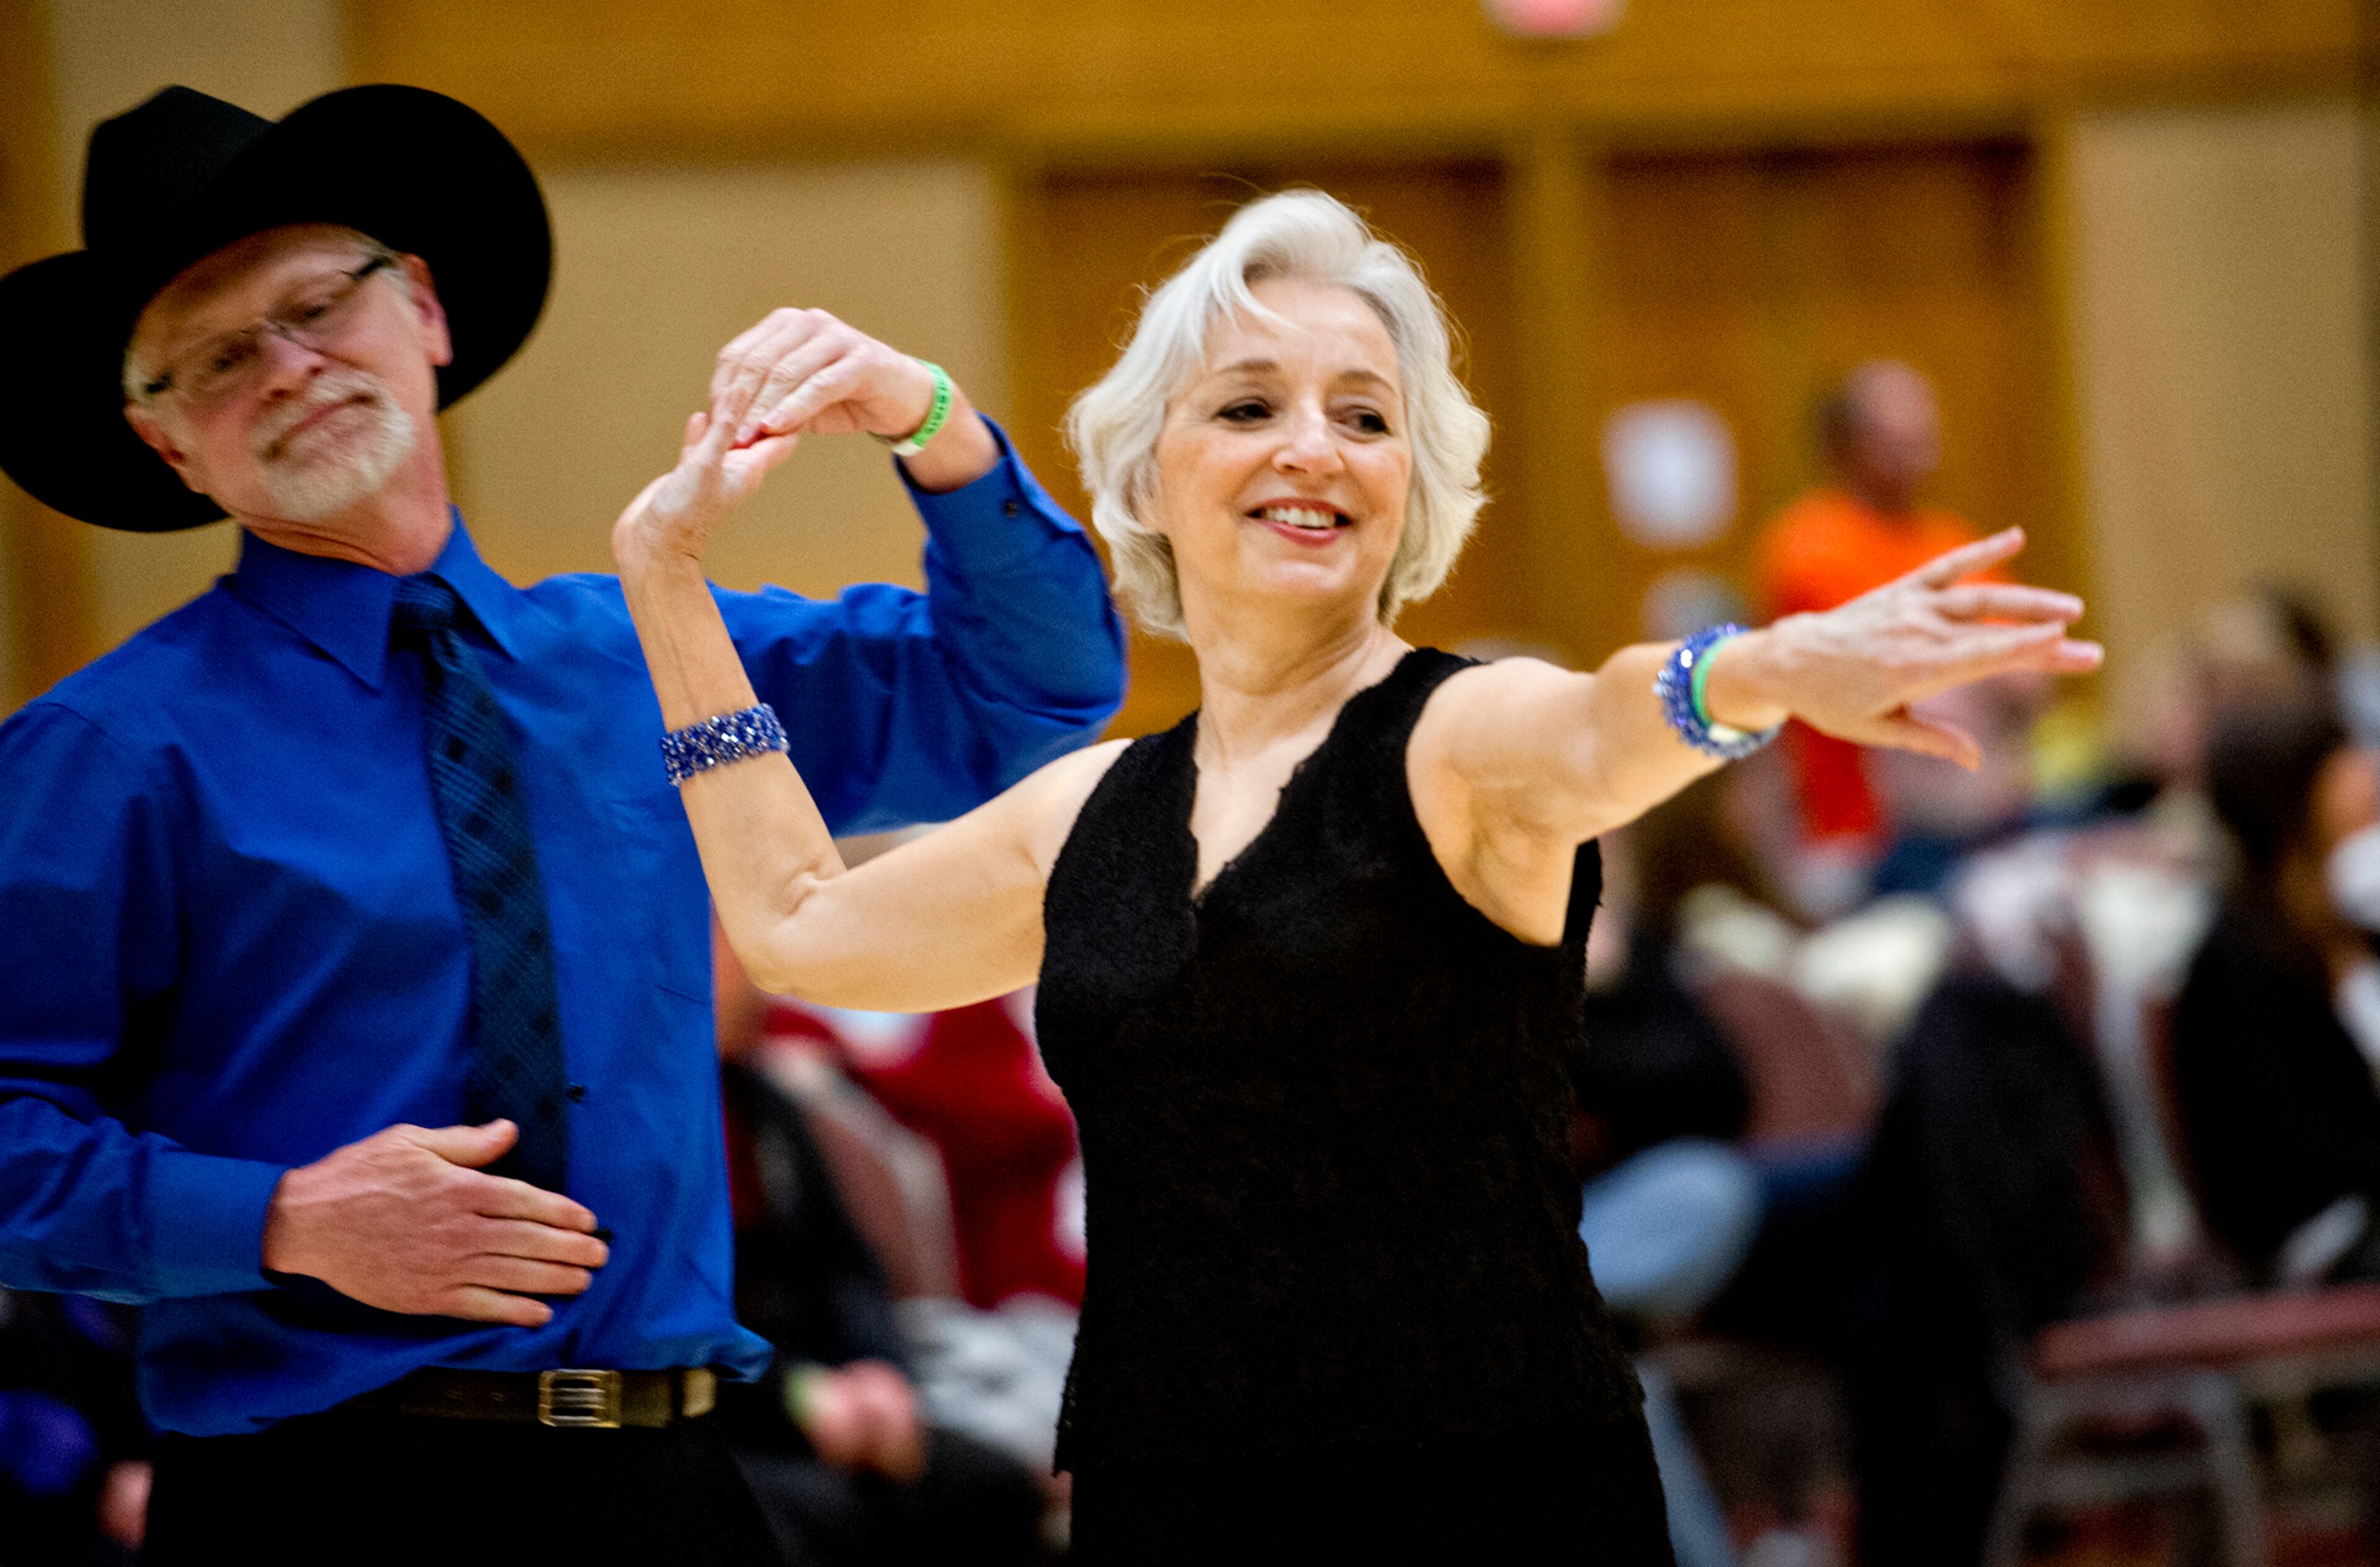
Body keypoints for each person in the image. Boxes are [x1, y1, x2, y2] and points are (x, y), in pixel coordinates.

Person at [609, 190, 2099, 1562]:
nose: (1310, 447)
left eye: (1364, 416)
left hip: (1482, 1496)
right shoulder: (1083, 813)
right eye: (1249, 405)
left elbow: (1600, 717)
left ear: (1414, 481)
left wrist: (1762, 670)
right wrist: (668, 592)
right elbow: (799, 926)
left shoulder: (1456, 738)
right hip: (1171, 1498)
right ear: (1146, 476)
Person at [0, 85, 1122, 1563]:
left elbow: (1027, 688)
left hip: (668, 1485)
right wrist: (280, 1217)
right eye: (216, 358)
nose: (286, 367)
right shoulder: (104, 755)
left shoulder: (652, 654)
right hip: (315, 1500)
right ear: (171, 454)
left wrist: (925, 421)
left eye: (318, 303)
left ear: (426, 313)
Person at [713, 940, 1047, 1567]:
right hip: (736, 1414)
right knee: (803, 1521)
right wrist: (804, 1398)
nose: (746, 972)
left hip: (844, 1396)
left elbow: (853, 1272)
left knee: (993, 1488)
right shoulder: (658, 1128)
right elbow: (672, 1321)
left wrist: (884, 1376)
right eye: (723, 948)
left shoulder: (771, 1105)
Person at [1753, 361, 1991, 874]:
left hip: (1965, 809)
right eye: (1897, 436)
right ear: (1848, 444)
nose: (1919, 450)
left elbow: (2018, 671)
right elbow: (1881, 666)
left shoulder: (1953, 541)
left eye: (1925, 434)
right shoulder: (1809, 545)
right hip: (1851, 828)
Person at [2172, 700, 2380, 1279]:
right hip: (2314, 1235)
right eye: (2346, 756)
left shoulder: (2357, 925)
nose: (2369, 769)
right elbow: (2285, 1152)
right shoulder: (2233, 963)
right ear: (2293, 793)